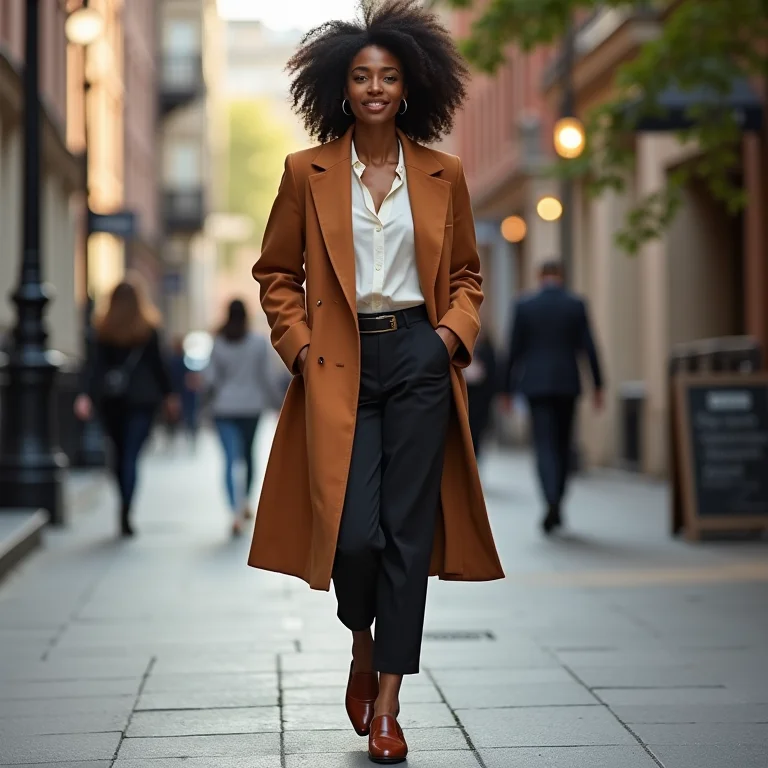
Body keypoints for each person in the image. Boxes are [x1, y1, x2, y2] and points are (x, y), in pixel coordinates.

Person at [247, 2, 504, 763]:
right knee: (354, 535)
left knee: (406, 534)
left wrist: (450, 337)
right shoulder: (306, 172)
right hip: (338, 364)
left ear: (412, 85)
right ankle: (361, 642)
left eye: (388, 76)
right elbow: (275, 275)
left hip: (420, 361)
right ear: (340, 87)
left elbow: (465, 275)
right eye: (361, 76)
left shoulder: (444, 173)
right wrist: (298, 348)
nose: (375, 87)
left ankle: (389, 701)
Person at [503, 260, 604, 534]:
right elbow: (590, 347)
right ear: (562, 276)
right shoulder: (575, 304)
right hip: (567, 384)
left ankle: (549, 498)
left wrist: (506, 390)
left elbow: (513, 350)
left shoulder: (524, 306)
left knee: (544, 445)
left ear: (539, 276)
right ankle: (558, 499)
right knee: (563, 444)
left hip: (535, 385)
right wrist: (598, 385)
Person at [74, 278, 177, 537]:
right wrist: (169, 395)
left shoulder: (104, 328)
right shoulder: (148, 329)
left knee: (119, 455)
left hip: (113, 400)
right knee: (131, 455)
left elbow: (94, 367)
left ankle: (123, 502)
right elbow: (159, 366)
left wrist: (86, 395)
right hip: (142, 400)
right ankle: (127, 507)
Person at [205, 299, 278, 537]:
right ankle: (244, 501)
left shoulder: (219, 343)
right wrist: (279, 402)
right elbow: (267, 376)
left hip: (224, 408)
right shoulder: (258, 342)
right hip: (251, 407)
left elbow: (210, 380)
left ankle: (235, 512)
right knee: (247, 456)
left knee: (229, 459)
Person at [465, 329, 498, 458]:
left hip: (481, 401)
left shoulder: (487, 352)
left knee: (476, 433)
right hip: (468, 399)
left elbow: (493, 376)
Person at [167, 336, 201, 450]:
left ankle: (178, 441)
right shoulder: (183, 362)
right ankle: (190, 440)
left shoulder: (175, 361)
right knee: (187, 418)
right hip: (183, 394)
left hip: (180, 394)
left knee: (179, 419)